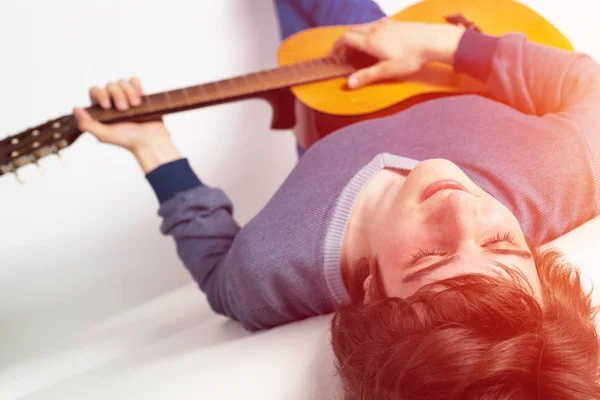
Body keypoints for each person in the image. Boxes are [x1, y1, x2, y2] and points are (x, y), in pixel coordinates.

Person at [73, 0, 600, 398]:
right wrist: (443, 47)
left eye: (429, 257)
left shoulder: (272, 268)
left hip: (327, 115)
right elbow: (588, 84)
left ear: (371, 289)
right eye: (504, 244)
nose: (461, 206)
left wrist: (152, 144)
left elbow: (217, 274)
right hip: (421, 68)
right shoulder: (557, 173)